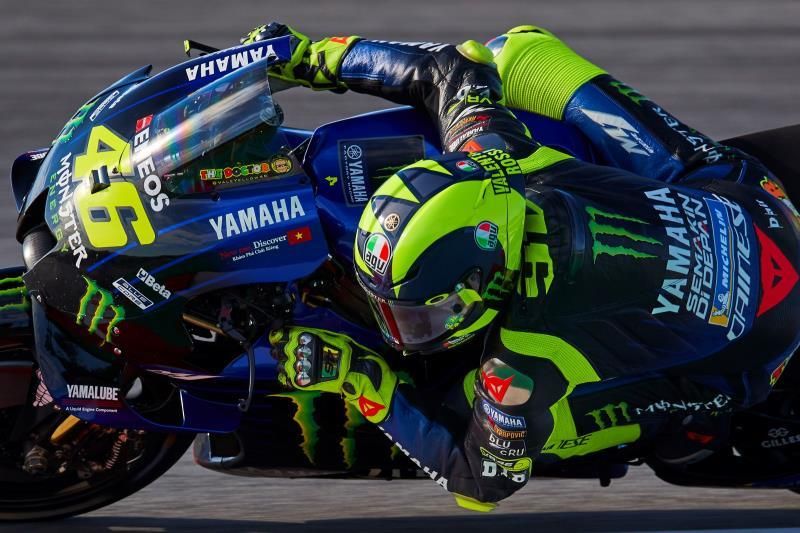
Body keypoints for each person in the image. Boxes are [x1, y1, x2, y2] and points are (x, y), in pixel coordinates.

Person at [254, 23, 800, 510]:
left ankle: (680, 421)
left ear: (485, 280)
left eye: (421, 315)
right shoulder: (497, 155)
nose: (405, 332)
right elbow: (448, 67)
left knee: (467, 406)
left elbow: (479, 482)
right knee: (517, 51)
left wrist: (360, 379)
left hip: (752, 355)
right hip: (755, 203)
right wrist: (308, 57)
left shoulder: (525, 359)